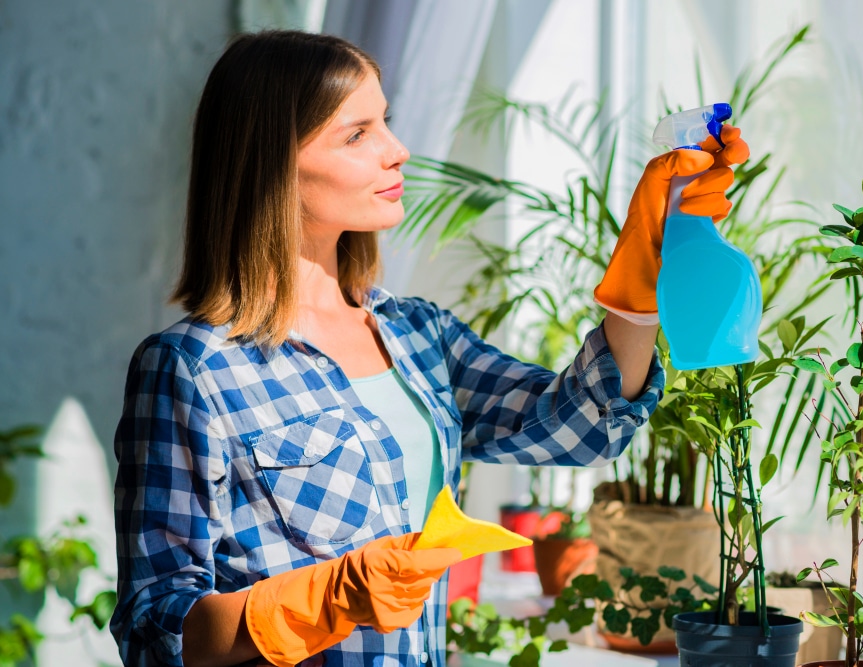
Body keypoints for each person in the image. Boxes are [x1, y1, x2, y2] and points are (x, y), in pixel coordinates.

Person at [110, 30, 749, 667]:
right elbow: (153, 627)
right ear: (272, 161)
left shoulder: (417, 336)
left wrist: (648, 246)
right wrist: (325, 599)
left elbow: (583, 425)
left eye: (384, 122)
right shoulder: (193, 369)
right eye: (357, 134)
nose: (398, 150)